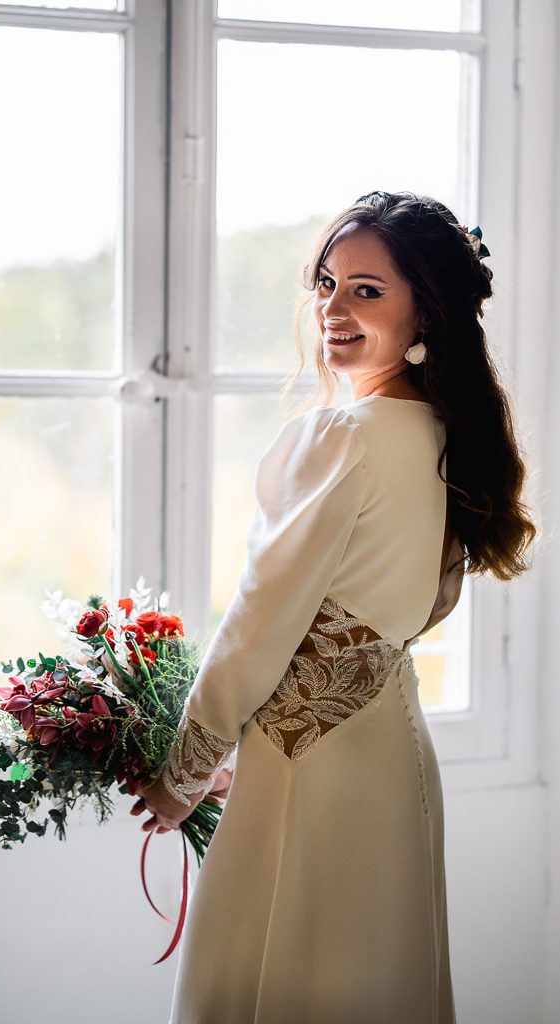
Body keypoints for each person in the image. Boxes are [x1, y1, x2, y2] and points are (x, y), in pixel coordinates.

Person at [129, 191, 538, 1023]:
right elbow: (390, 619)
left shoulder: (342, 436)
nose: (333, 308)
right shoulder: (442, 434)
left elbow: (258, 625)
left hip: (309, 767)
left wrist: (184, 773)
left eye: (366, 290)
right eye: (325, 283)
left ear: (426, 309)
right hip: (389, 755)